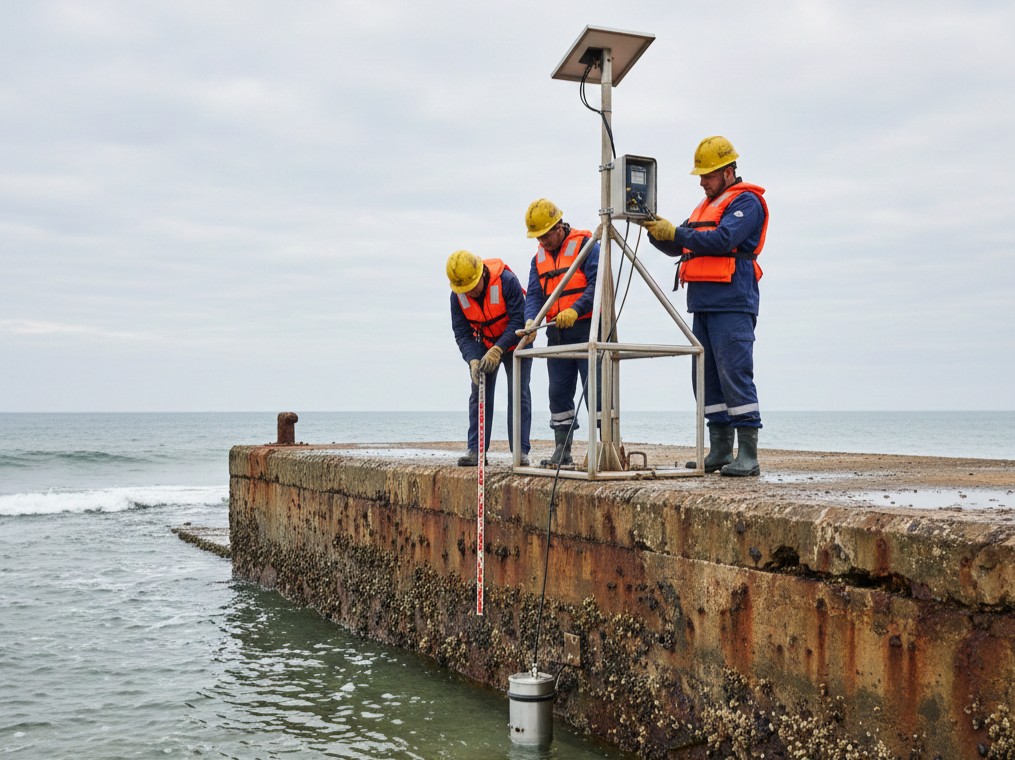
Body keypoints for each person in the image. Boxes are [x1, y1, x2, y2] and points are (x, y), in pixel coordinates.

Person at [641, 136, 769, 476]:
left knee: (734, 373)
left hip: (732, 302)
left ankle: (749, 455)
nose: (702, 182)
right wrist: (655, 230)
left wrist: (675, 233)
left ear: (728, 172)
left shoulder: (747, 203)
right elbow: (679, 245)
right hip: (703, 304)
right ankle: (720, 449)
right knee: (707, 378)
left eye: (708, 175)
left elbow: (723, 239)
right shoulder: (704, 207)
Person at [520, 199, 600, 467]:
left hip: (588, 330)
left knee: (597, 391)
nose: (542, 242)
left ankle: (604, 446)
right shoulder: (538, 260)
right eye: (538, 238)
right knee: (558, 392)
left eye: (545, 235)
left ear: (559, 227)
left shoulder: (587, 246)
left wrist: (576, 309)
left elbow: (598, 284)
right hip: (556, 333)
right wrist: (531, 319)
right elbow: (534, 294)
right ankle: (562, 450)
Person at [447, 250, 532, 467]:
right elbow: (461, 332)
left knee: (518, 393)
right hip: (483, 344)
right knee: (478, 393)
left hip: (515, 342)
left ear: (482, 274)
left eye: (472, 287)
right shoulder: (457, 296)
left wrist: (498, 349)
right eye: (465, 290)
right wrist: (472, 359)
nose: (470, 293)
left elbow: (518, 319)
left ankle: (520, 452)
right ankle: (476, 450)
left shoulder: (507, 281)